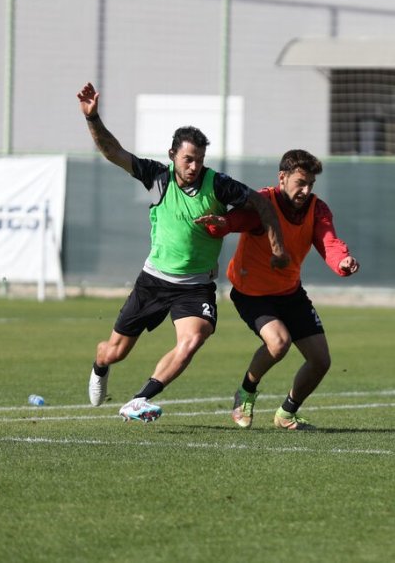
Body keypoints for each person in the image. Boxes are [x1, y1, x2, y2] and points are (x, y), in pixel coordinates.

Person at [76, 82, 290, 422]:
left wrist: (276, 249)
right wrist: (93, 118)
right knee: (114, 351)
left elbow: (261, 205)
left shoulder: (218, 183)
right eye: (188, 159)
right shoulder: (157, 178)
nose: (194, 166)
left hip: (195, 287)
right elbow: (113, 152)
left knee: (193, 339)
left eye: (199, 160)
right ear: (172, 155)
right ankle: (100, 365)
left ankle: (139, 400)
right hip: (153, 281)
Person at [197, 149, 359, 430]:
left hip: (289, 292)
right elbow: (237, 220)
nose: (306, 191)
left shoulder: (317, 209)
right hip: (252, 293)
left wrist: (342, 261)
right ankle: (245, 393)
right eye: (301, 183)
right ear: (282, 177)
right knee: (279, 342)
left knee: (320, 361)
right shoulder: (263, 202)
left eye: (311, 184)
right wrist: (221, 225)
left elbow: (329, 242)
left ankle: (286, 413)